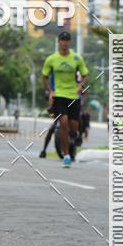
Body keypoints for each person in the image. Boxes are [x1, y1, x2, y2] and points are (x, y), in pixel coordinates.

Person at [41, 31, 88, 167]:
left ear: (70, 42)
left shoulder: (76, 58)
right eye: (62, 39)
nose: (65, 42)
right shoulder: (51, 59)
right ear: (58, 42)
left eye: (67, 40)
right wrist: (50, 91)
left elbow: (85, 75)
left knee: (73, 128)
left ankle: (73, 140)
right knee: (63, 122)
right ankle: (66, 155)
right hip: (59, 95)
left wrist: (81, 85)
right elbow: (44, 76)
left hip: (73, 95)